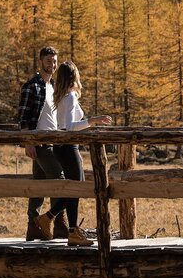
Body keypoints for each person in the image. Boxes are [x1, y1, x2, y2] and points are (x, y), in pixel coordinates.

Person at [33, 61, 112, 245]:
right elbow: (69, 128)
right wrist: (93, 121)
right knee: (77, 188)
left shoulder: (62, 97)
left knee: (76, 187)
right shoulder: (68, 98)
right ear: (73, 76)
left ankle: (51, 219)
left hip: (63, 147)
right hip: (68, 147)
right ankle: (71, 231)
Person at [17, 45, 68, 241]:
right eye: (49, 61)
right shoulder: (32, 86)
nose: (52, 65)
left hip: (53, 143)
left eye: (55, 61)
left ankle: (33, 227)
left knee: (38, 185)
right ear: (40, 62)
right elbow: (23, 117)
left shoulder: (53, 87)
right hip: (39, 143)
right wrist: (28, 142)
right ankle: (59, 223)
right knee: (60, 181)